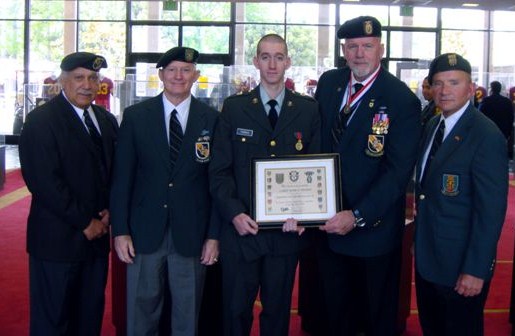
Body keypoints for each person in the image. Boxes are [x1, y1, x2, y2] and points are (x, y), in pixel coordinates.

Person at [314, 16, 421, 336]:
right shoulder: (329, 83)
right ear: (344, 51)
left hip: (370, 229)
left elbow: (397, 171)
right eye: (352, 47)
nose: (360, 54)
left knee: (374, 316)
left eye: (368, 46)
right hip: (327, 224)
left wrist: (358, 215)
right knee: (334, 312)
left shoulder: (401, 98)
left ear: (381, 50)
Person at [209, 33, 320, 336]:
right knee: (235, 314)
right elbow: (219, 171)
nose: (273, 64)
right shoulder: (234, 108)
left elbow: (315, 170)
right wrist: (234, 213)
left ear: (288, 62)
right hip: (241, 233)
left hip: (285, 235)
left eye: (279, 56)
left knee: (277, 315)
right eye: (266, 56)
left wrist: (307, 217)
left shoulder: (308, 110)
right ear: (256, 61)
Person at [109, 46, 220, 336]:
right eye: (171, 70)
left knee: (187, 314)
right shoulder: (136, 116)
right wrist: (120, 231)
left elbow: (217, 183)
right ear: (160, 75)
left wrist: (213, 235)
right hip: (144, 232)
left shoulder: (211, 118)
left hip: (191, 233)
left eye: (185, 70)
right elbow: (122, 179)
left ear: (195, 75)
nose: (178, 76)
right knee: (141, 311)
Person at [18, 52, 118, 335]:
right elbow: (44, 182)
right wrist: (85, 222)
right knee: (54, 321)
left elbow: (115, 172)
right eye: (79, 78)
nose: (87, 84)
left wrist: (112, 209)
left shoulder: (106, 120)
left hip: (97, 242)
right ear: (63, 81)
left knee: (88, 318)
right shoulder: (41, 121)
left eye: (93, 78)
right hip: (57, 243)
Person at [414, 53, 508, 336]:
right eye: (439, 83)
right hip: (429, 258)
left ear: (471, 88)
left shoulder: (486, 135)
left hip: (461, 267)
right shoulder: (433, 125)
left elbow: (490, 211)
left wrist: (476, 270)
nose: (445, 91)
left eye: (454, 83)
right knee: (433, 328)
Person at [479, 80, 514, 159]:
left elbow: (479, 116)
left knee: (488, 153)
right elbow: (511, 118)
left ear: (491, 89)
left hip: (488, 131)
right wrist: (508, 133)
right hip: (503, 131)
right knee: (500, 153)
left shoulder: (486, 100)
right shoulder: (507, 101)